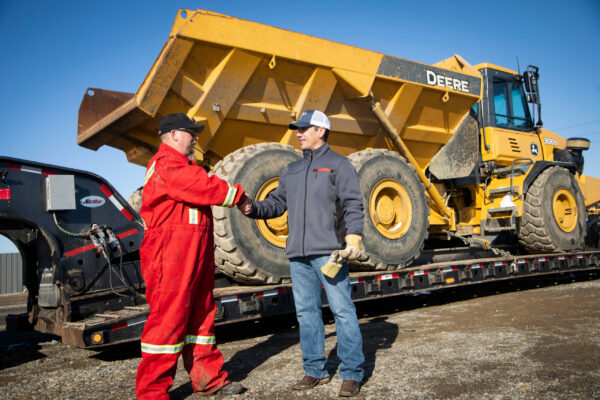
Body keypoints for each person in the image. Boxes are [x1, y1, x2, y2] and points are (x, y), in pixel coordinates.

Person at [238, 110, 365, 397]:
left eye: (304, 128)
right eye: (298, 129)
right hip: (298, 255)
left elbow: (353, 204)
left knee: (342, 312)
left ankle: (352, 373)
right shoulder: (292, 169)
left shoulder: (339, 165)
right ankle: (314, 370)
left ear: (321, 130)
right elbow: (277, 204)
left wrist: (353, 238)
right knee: (307, 315)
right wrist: (252, 208)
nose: (298, 133)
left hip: (329, 254)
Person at [136, 113, 247, 399]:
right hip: (170, 256)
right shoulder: (166, 164)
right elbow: (202, 186)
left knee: (201, 318)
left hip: (192, 255)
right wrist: (236, 195)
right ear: (173, 135)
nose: (195, 138)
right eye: (190, 132)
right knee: (168, 321)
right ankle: (152, 393)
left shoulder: (182, 166)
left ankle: (209, 380)